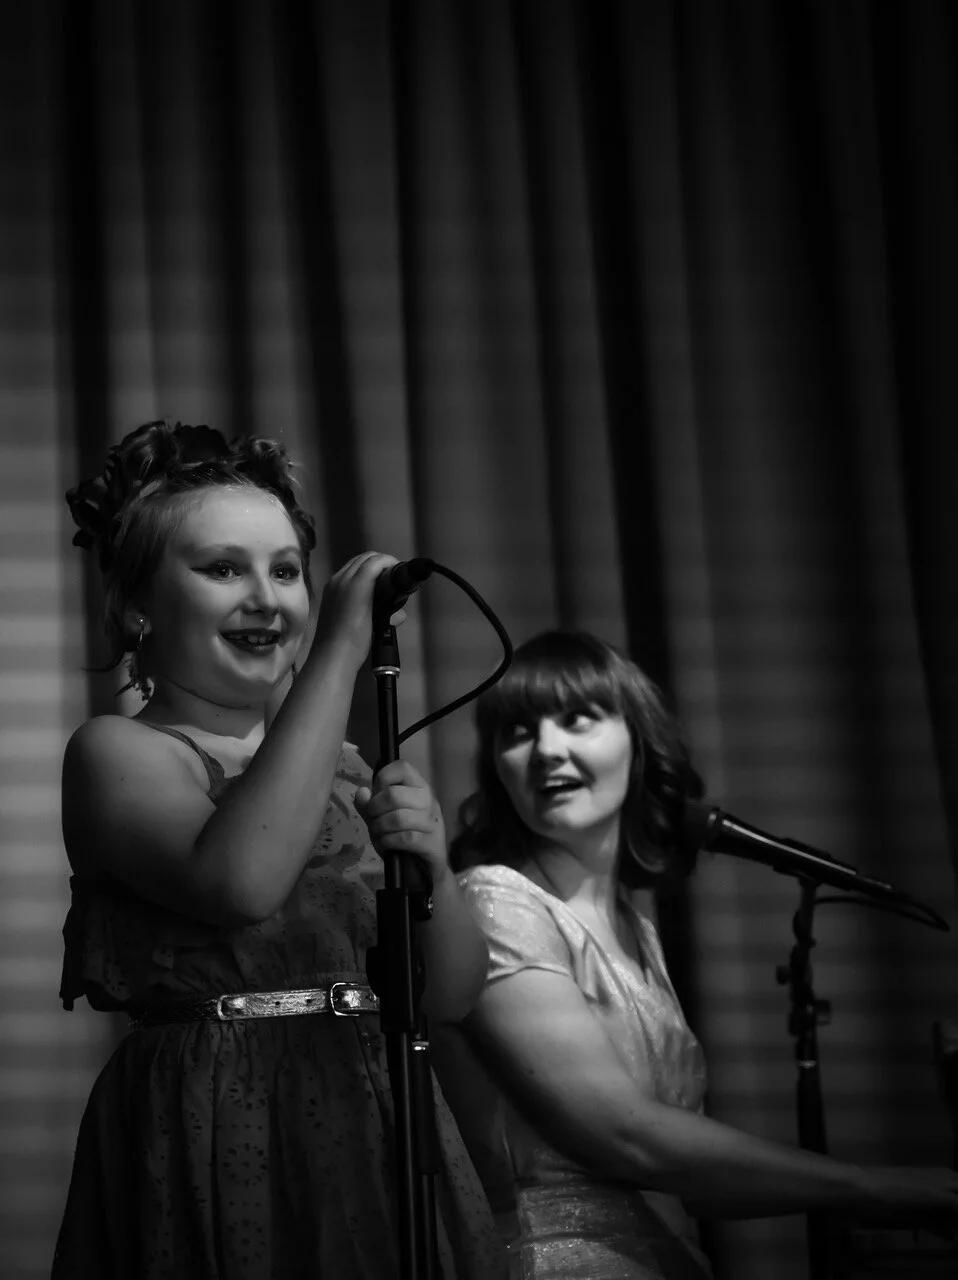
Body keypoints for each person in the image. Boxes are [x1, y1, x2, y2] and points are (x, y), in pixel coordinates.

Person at [52, 419, 505, 1279]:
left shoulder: (341, 770)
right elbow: (240, 882)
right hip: (220, 1115)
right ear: (138, 604)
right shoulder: (119, 753)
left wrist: (434, 865)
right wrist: (340, 642)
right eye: (223, 568)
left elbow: (444, 995)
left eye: (287, 571)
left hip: (369, 1108)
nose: (267, 597)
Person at [437, 629, 958, 1279]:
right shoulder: (496, 899)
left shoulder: (638, 932)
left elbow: (698, 1184)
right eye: (516, 732)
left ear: (638, 741)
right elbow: (618, 1132)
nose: (546, 750)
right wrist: (877, 1187)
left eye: (577, 719)